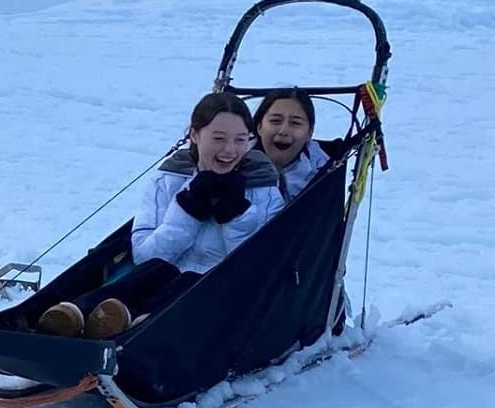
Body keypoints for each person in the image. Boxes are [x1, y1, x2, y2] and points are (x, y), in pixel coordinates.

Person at [37, 92, 284, 339]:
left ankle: (127, 325)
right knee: (157, 270)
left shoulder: (264, 190)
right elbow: (144, 255)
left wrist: (235, 212)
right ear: (195, 135)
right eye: (218, 138)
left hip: (217, 292)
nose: (230, 150)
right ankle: (72, 315)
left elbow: (257, 267)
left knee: (188, 281)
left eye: (240, 140)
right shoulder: (168, 180)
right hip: (157, 280)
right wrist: (188, 208)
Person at [254, 87, 342, 200]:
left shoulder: (324, 173)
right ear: (259, 126)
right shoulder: (231, 162)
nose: (283, 131)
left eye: (295, 123)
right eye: (275, 121)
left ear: (309, 133)